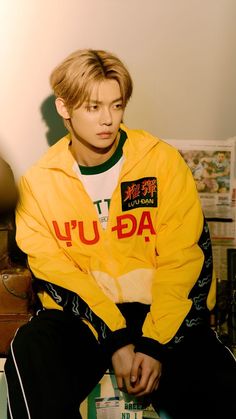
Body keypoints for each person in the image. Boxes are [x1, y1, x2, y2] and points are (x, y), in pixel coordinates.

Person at [4, 49, 236, 419]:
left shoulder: (161, 162)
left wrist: (154, 343)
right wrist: (115, 336)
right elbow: (57, 273)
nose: (108, 120)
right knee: (31, 348)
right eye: (94, 107)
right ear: (65, 109)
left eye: (117, 105)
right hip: (85, 320)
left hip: (159, 310)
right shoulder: (38, 184)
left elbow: (185, 257)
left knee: (220, 379)